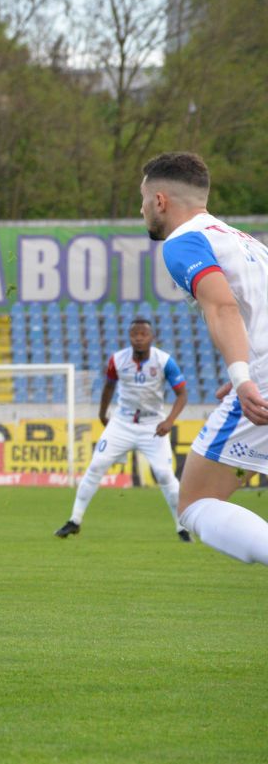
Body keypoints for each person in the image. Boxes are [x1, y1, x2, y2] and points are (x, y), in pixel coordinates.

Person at [145, 151, 268, 565]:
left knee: (196, 501)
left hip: (264, 377)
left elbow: (223, 307)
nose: (141, 209)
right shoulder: (245, 240)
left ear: (160, 200)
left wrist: (244, 377)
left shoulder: (184, 241)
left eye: (142, 199)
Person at [54, 318, 190, 540]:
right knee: (96, 464)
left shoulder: (164, 362)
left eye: (143, 334)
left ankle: (182, 527)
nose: (138, 338)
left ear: (151, 337)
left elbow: (182, 394)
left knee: (165, 475)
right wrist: (102, 412)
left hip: (152, 425)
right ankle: (74, 520)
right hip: (122, 423)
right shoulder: (117, 360)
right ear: (129, 337)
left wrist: (170, 421)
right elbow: (109, 386)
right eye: (134, 334)